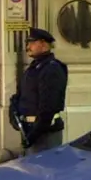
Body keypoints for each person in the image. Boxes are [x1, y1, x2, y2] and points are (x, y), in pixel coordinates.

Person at [9, 27, 68, 156]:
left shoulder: (52, 69)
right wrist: (13, 111)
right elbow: (20, 95)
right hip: (29, 130)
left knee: (44, 172)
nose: (28, 46)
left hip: (45, 132)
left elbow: (49, 106)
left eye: (31, 43)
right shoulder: (33, 68)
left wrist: (34, 134)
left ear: (42, 44)